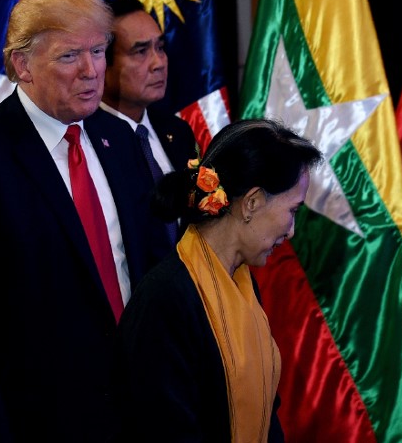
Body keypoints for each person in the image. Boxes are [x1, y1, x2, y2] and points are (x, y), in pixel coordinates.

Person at [0, 0, 171, 441]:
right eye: (70, 56)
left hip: (136, 414)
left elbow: (152, 277)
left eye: (98, 50)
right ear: (22, 64)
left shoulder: (120, 140)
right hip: (32, 420)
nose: (92, 71)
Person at [113, 118, 323, 442]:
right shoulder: (164, 299)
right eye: (292, 211)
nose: (291, 230)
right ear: (252, 202)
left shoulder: (241, 281)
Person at [101, 0, 197, 240]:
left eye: (160, 48)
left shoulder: (178, 131)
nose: (159, 63)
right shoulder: (86, 140)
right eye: (141, 51)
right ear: (102, 63)